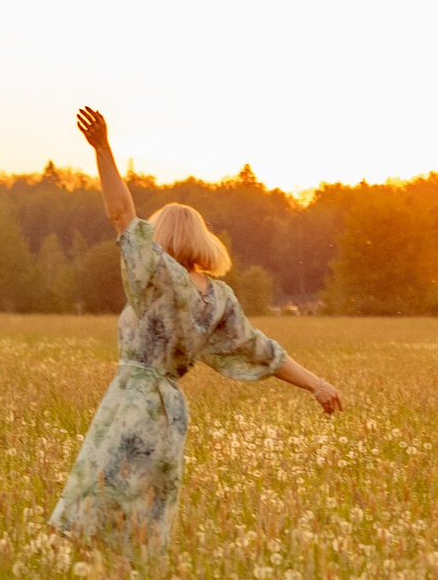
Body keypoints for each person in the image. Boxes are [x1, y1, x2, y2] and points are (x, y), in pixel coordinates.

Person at [49, 107, 342, 557]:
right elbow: (263, 352)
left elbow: (121, 215)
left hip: (134, 400)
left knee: (97, 503)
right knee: (147, 512)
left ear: (162, 235)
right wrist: (317, 385)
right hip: (172, 411)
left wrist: (103, 150)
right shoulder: (219, 297)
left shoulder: (159, 275)